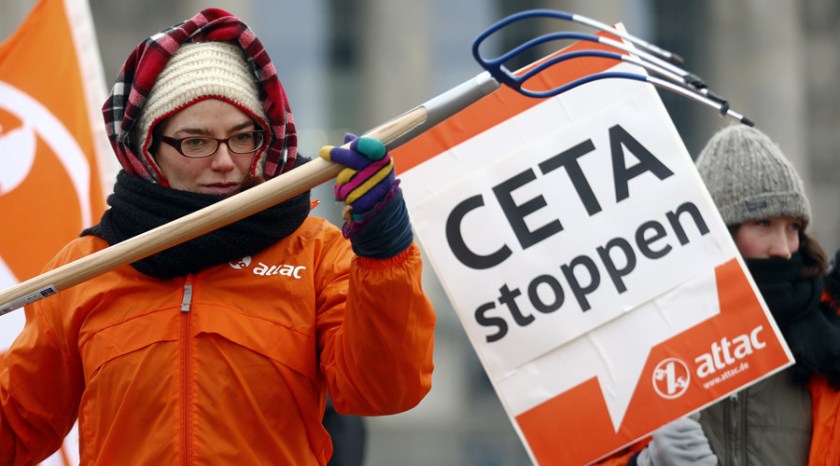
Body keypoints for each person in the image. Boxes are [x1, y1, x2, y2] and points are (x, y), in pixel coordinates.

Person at [0, 8, 436, 465]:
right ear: (148, 150)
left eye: (242, 137)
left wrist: (384, 251)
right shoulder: (87, 268)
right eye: (196, 142)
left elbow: (386, 390)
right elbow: (15, 430)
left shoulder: (316, 253)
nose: (225, 161)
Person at [597, 124, 840, 465]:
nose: (784, 248)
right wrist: (644, 464)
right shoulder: (649, 338)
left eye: (793, 228)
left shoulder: (827, 339)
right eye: (763, 224)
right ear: (718, 231)